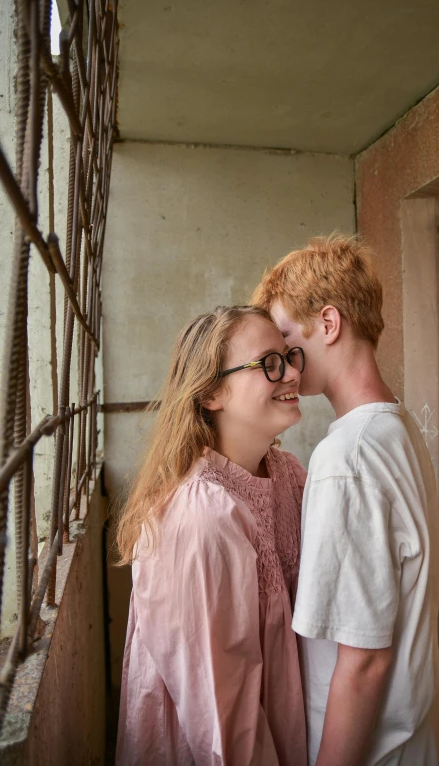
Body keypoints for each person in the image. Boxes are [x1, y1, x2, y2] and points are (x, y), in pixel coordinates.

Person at [252, 234, 439, 766]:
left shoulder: (346, 457)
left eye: (288, 339)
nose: (285, 363)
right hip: (413, 739)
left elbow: (363, 661)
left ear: (330, 325)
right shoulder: (398, 427)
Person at [115, 305, 308, 766]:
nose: (292, 374)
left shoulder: (289, 474)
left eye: (290, 356)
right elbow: (222, 722)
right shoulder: (200, 517)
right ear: (211, 393)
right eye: (270, 363)